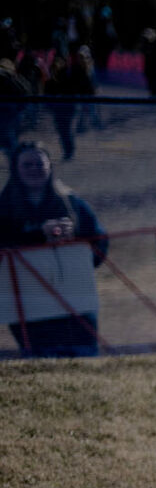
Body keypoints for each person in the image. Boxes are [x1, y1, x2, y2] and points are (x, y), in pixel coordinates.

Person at [0, 141, 106, 356]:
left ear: (50, 166)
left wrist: (75, 242)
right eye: (27, 165)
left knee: (85, 358)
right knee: (41, 363)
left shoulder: (72, 202)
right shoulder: (4, 208)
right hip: (28, 301)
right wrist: (38, 235)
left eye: (40, 164)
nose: (34, 170)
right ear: (15, 170)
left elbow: (100, 241)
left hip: (73, 295)